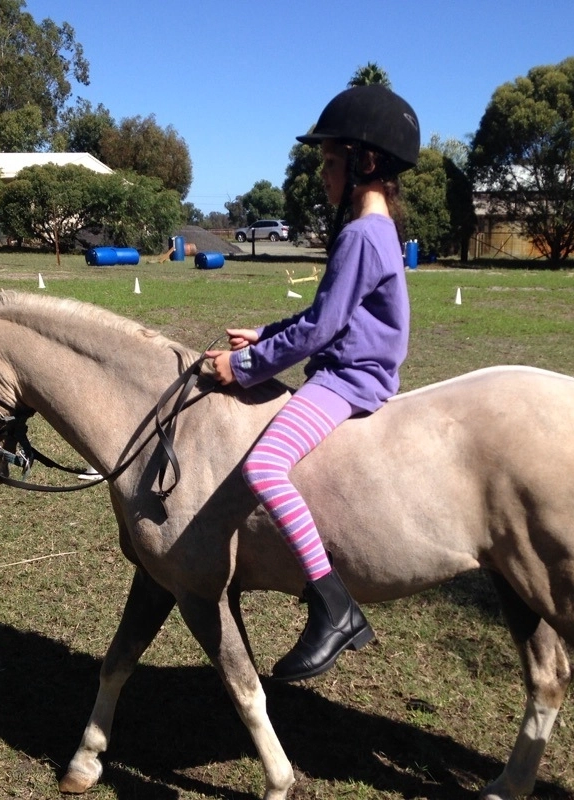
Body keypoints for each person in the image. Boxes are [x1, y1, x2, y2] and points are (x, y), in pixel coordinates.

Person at [207, 84, 420, 682]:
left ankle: (333, 605)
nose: (323, 175)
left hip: (348, 380)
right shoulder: (377, 233)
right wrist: (265, 333)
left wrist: (244, 366)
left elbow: (322, 327)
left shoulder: (358, 235)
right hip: (350, 368)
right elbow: (323, 315)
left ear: (365, 163)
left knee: (263, 467)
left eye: (330, 162)